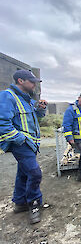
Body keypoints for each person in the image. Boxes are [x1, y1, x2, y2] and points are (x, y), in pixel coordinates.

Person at [0, 70, 47, 224]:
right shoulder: (7, 96)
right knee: (35, 173)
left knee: (24, 172)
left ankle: (20, 202)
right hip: (21, 144)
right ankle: (34, 203)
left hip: (30, 144)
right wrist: (22, 138)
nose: (34, 85)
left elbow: (36, 118)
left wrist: (40, 109)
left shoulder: (26, 99)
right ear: (21, 81)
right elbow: (3, 123)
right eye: (32, 82)